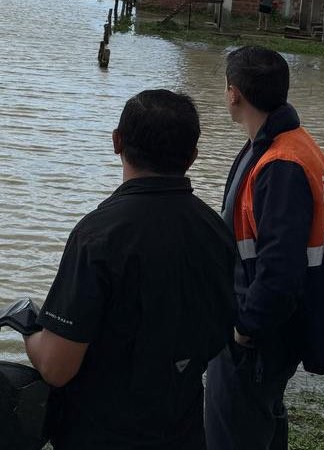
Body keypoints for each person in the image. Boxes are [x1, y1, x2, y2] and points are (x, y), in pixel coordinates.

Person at [23, 89, 236, 449]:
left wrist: (28, 328)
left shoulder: (98, 237)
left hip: (101, 435)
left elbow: (57, 367)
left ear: (116, 141)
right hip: (184, 433)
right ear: (193, 156)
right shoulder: (216, 232)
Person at [205, 46, 324, 450]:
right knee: (266, 424)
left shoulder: (281, 165)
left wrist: (242, 331)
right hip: (275, 331)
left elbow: (280, 270)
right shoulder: (292, 144)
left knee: (233, 434)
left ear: (233, 93)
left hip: (258, 339)